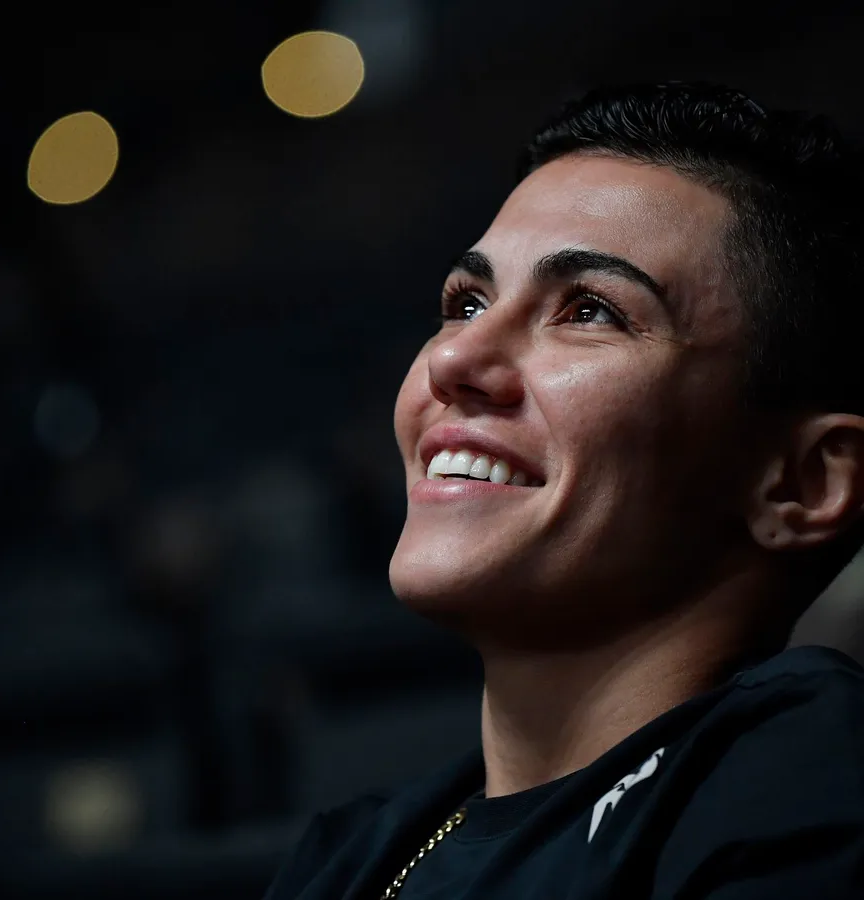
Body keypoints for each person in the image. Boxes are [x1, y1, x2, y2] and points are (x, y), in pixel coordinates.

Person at [263, 82, 864, 899]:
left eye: (590, 312)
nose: (452, 360)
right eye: (466, 303)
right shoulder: (350, 859)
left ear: (803, 481)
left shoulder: (810, 778)